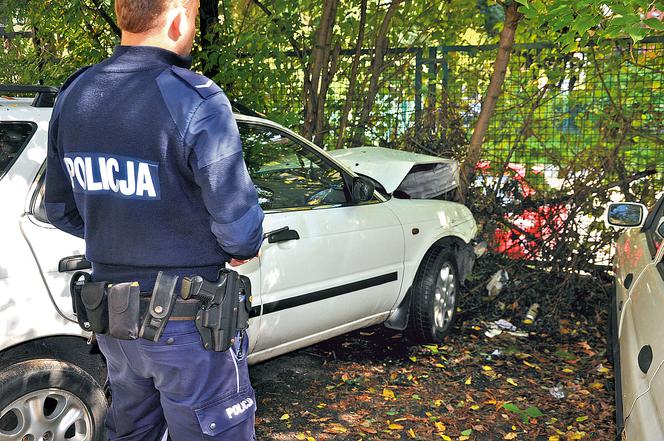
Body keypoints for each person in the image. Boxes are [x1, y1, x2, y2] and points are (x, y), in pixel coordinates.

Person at [44, 0, 264, 439]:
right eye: (196, 15)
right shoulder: (193, 98)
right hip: (189, 328)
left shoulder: (75, 96)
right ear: (180, 16)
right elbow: (240, 232)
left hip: (115, 324)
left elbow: (61, 209)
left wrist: (125, 234)